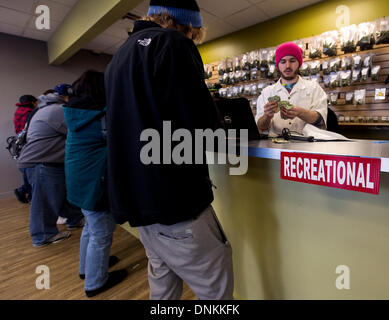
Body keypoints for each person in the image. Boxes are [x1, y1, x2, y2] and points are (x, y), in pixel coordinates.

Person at [105, 0, 234, 300]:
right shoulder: (172, 44)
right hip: (176, 200)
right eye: (193, 35)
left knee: (162, 287)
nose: (192, 41)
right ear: (186, 26)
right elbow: (199, 123)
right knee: (215, 287)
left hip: (140, 203)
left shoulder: (119, 57)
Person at [63, 70, 127, 298]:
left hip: (78, 180)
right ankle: (95, 282)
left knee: (90, 228)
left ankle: (86, 269)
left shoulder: (76, 112)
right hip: (94, 182)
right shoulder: (100, 116)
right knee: (101, 233)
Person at [17, 84, 84, 247]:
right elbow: (78, 131)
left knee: (62, 194)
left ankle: (75, 219)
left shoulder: (44, 109)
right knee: (45, 200)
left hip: (45, 161)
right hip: (42, 162)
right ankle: (43, 235)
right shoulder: (58, 110)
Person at [256, 42, 328, 136]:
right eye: (283, 62)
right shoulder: (267, 93)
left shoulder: (314, 88)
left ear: (299, 63)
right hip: (275, 145)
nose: (287, 66)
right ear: (278, 65)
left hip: (307, 145)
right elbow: (260, 127)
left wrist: (300, 112)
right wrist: (267, 116)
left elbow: (321, 121)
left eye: (292, 61)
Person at [13, 95, 38, 203]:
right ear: (32, 102)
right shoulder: (30, 113)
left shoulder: (18, 111)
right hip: (30, 143)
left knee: (27, 170)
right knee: (31, 171)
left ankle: (24, 191)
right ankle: (26, 192)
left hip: (21, 144)